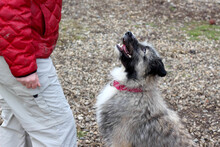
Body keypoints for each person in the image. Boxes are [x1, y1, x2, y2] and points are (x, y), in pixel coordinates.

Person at [0, 0, 77, 146]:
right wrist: (23, 66)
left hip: (11, 53)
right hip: (20, 54)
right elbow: (9, 8)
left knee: (16, 123)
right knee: (56, 130)